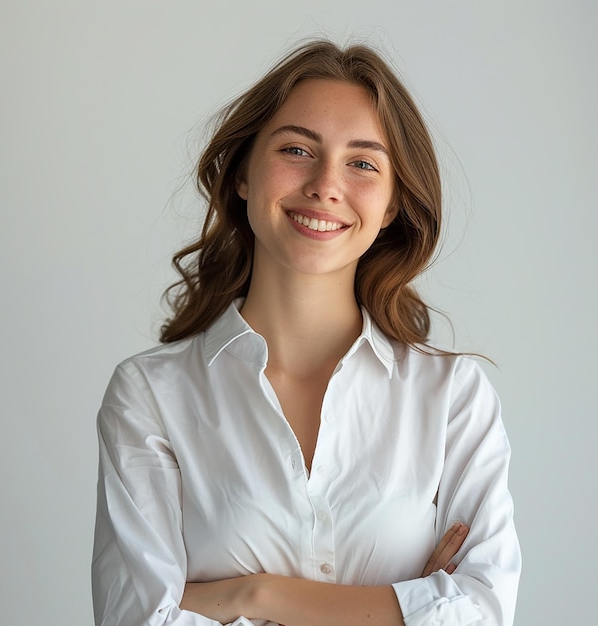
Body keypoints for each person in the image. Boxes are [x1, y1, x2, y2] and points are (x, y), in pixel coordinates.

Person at [92, 40, 521, 626]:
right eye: (297, 149)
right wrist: (407, 605)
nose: (325, 184)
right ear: (243, 174)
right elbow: (136, 620)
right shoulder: (150, 396)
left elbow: (484, 612)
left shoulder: (453, 398)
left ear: (394, 203)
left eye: (363, 162)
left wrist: (252, 596)